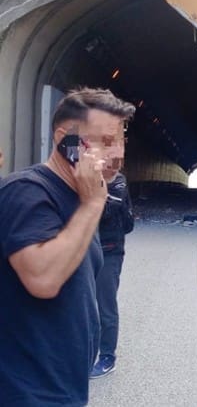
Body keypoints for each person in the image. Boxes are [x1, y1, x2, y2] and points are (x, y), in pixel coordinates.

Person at [0, 87, 135, 405]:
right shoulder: (27, 191)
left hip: (63, 387)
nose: (117, 154)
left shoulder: (79, 197)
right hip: (26, 392)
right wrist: (92, 205)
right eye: (105, 141)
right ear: (66, 140)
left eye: (121, 141)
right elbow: (43, 279)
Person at [91, 171, 135, 379]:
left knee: (105, 306)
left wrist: (90, 189)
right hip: (83, 249)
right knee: (79, 305)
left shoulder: (116, 180)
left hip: (109, 250)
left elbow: (106, 210)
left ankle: (107, 357)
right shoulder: (78, 174)